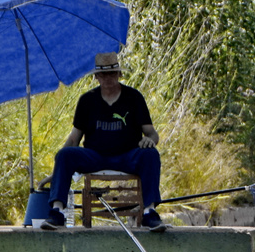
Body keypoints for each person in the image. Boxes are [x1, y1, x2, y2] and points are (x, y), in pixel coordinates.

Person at [40, 52, 166, 230]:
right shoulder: (86, 100)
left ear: (119, 74)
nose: (108, 78)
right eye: (103, 74)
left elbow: (152, 133)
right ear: (96, 77)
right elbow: (74, 138)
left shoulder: (134, 97)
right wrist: (60, 163)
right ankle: (57, 212)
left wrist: (149, 141)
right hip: (95, 155)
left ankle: (149, 213)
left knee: (151, 155)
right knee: (65, 154)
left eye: (112, 73)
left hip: (127, 155)